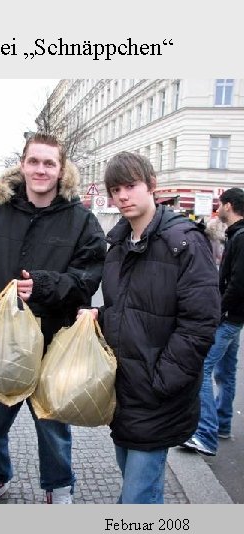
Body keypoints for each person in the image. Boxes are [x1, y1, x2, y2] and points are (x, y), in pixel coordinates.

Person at [0, 133, 106, 504]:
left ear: (62, 171)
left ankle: (58, 487)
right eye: (34, 161)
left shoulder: (81, 220)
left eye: (49, 163)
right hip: (3, 345)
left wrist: (45, 285)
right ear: (23, 165)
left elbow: (89, 276)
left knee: (52, 426)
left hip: (52, 342)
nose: (41, 169)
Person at [82, 151, 219, 503]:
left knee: (135, 497)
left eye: (130, 186)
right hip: (125, 389)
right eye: (116, 189)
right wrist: (99, 316)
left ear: (151, 186)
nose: (123, 196)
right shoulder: (117, 245)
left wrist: (163, 381)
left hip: (158, 394)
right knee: (138, 486)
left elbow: (200, 323)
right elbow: (125, 306)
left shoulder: (185, 242)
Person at [182, 187, 244, 456]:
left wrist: (217, 310)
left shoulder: (241, 237)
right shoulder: (236, 234)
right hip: (236, 317)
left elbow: (239, 282)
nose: (217, 209)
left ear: (228, 205)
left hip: (229, 317)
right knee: (226, 372)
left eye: (220, 204)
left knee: (202, 369)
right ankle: (222, 423)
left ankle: (205, 434)